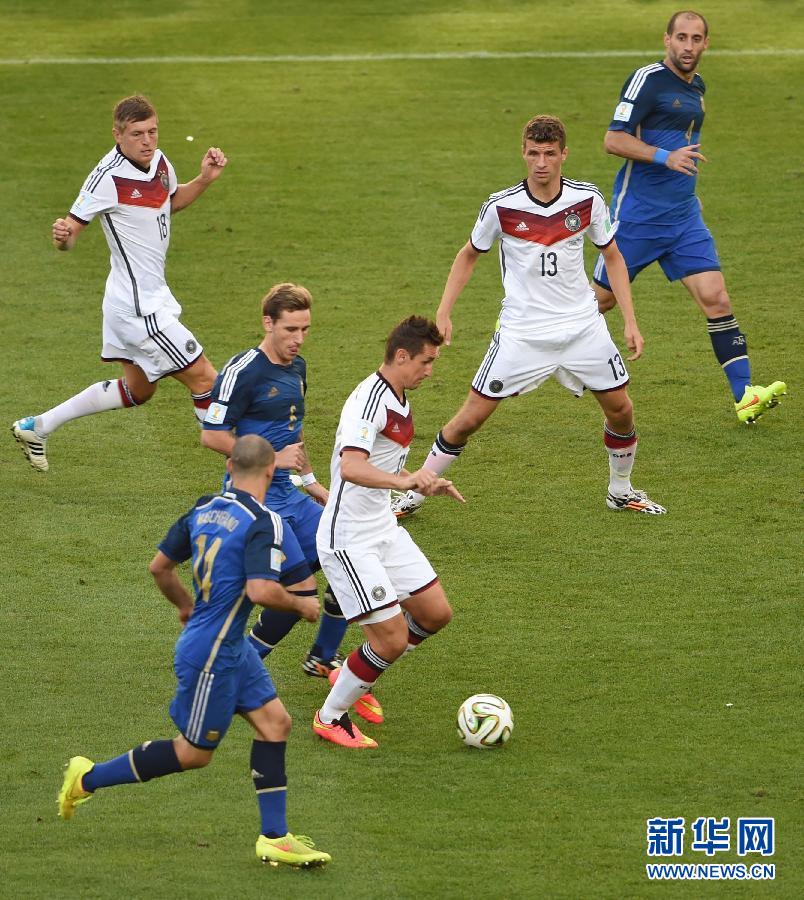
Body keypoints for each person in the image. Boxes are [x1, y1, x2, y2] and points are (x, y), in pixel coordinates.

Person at [57, 434, 331, 868]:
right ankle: (87, 778)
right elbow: (260, 589)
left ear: (229, 469)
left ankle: (275, 837)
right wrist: (302, 604)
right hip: (212, 655)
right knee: (193, 754)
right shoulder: (265, 520)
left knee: (276, 723)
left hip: (229, 645)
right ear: (269, 472)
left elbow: (159, 567)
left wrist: (186, 605)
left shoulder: (204, 508)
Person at [392, 116, 666, 520]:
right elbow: (468, 255)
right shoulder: (501, 206)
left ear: (563, 155)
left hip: (582, 328)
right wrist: (445, 310)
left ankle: (620, 491)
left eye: (550, 154)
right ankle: (414, 492)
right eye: (534, 153)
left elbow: (612, 255)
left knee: (621, 410)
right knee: (469, 419)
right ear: (524, 153)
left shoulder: (587, 200)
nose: (542, 163)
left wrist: (629, 320)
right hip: (523, 333)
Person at [12, 95, 227, 472]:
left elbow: (169, 203)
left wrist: (205, 180)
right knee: (207, 379)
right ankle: (251, 479)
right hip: (138, 309)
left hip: (140, 299)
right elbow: (72, 232)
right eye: (137, 134)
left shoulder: (159, 162)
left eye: (153, 131)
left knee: (139, 391)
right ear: (118, 134)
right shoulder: (106, 177)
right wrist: (63, 237)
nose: (148, 141)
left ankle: (37, 427)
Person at [592, 10, 786, 424]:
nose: (688, 46)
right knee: (599, 301)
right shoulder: (647, 79)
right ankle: (525, 325)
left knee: (717, 298)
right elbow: (613, 139)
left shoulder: (698, 86)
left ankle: (745, 395)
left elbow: (686, 147)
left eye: (696, 38)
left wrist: (688, 195)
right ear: (667, 40)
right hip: (639, 216)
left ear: (706, 44)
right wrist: (665, 157)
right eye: (681, 37)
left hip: (683, 219)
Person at [201, 284, 381, 726]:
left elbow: (293, 436)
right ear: (268, 323)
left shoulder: (297, 366)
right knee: (298, 592)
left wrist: (314, 483)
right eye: (290, 329)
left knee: (348, 552)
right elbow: (212, 435)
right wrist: (270, 458)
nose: (298, 338)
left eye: (305, 329)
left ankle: (323, 657)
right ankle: (244, 665)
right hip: (257, 500)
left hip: (290, 494)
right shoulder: (244, 370)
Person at [312, 316, 464, 749]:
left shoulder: (398, 395)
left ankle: (353, 673)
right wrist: (406, 482)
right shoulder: (368, 401)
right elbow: (352, 466)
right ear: (401, 356)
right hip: (350, 539)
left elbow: (387, 464)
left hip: (382, 527)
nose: (430, 370)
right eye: (426, 361)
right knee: (393, 638)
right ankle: (330, 716)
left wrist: (424, 481)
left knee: (435, 614)